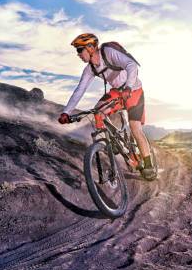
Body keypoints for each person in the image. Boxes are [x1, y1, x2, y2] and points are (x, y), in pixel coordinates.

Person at [58, 33, 156, 180]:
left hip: (133, 90)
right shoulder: (90, 69)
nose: (78, 54)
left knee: (135, 127)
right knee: (98, 112)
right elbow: (79, 90)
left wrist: (128, 87)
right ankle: (112, 141)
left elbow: (131, 65)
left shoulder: (108, 53)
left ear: (91, 48)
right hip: (117, 92)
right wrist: (66, 112)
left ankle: (149, 165)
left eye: (79, 50)